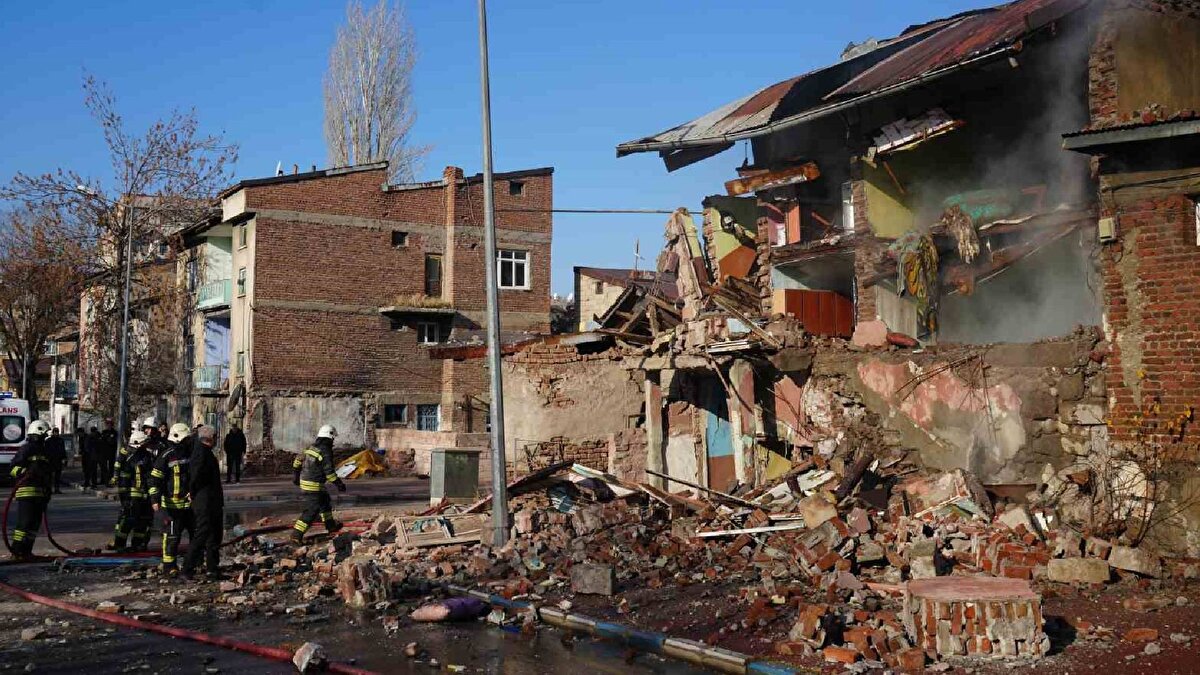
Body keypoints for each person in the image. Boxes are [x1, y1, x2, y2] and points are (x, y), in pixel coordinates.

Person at [150, 423, 194, 574]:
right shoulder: (165, 455)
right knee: (172, 536)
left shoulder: (189, 453)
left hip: (188, 504)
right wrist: (155, 500)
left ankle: (195, 562)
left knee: (195, 534)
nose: (187, 441)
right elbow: (155, 480)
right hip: (171, 506)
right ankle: (169, 566)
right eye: (185, 439)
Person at [290, 425, 345, 544]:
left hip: (308, 483)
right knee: (312, 510)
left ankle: (331, 526)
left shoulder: (311, 447)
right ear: (329, 437)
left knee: (325, 502)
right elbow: (329, 473)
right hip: (313, 485)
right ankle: (296, 535)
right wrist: (339, 484)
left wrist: (295, 476)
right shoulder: (325, 451)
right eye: (333, 438)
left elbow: (297, 460)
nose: (333, 441)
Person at [8, 421, 54, 560]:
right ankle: (17, 551)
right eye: (44, 434)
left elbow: (47, 473)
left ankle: (27, 551)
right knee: (25, 523)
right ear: (37, 432)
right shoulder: (26, 449)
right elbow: (13, 468)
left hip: (40, 492)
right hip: (26, 491)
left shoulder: (44, 452)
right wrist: (25, 472)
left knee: (34, 524)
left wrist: (48, 490)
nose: (46, 437)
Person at [182, 425, 224, 581]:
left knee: (213, 534)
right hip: (204, 500)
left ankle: (212, 568)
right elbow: (196, 475)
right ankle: (188, 568)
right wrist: (192, 492)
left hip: (211, 500)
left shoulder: (204, 452)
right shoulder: (201, 453)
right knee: (202, 534)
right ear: (210, 438)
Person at [108, 430, 154, 552]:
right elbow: (124, 479)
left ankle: (138, 544)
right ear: (137, 444)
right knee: (128, 520)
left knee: (143, 521)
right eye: (144, 443)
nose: (146, 445)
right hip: (133, 496)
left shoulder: (148, 457)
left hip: (146, 495)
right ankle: (120, 544)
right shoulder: (130, 459)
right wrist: (125, 499)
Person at [45, 427, 66, 494]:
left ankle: (57, 489)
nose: (56, 433)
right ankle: (49, 489)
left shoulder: (60, 440)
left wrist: (64, 458)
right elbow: (45, 450)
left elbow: (63, 450)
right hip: (50, 460)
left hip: (58, 459)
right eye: (55, 432)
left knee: (57, 476)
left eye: (57, 432)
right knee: (49, 476)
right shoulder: (48, 441)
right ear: (53, 432)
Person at [99, 419, 117, 485]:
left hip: (111, 452)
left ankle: (110, 480)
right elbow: (101, 441)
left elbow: (113, 442)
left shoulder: (114, 432)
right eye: (107, 424)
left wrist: (109, 439)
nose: (108, 425)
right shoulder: (104, 432)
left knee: (111, 467)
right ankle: (103, 480)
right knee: (103, 467)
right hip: (104, 452)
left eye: (110, 424)